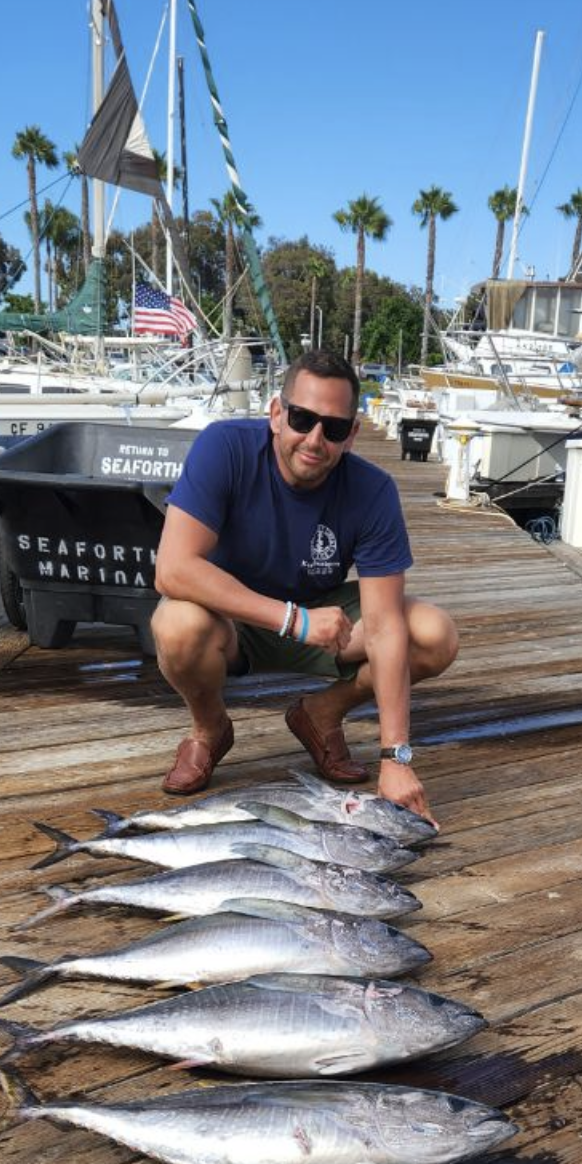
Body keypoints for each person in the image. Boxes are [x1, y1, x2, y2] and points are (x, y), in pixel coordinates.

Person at [152, 348, 458, 821]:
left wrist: (394, 757)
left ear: (352, 435)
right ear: (276, 414)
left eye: (333, 428)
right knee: (176, 624)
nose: (315, 439)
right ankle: (210, 730)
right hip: (235, 620)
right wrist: (294, 620)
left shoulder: (372, 490)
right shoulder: (224, 446)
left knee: (433, 634)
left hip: (326, 621)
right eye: (301, 418)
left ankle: (321, 714)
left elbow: (383, 627)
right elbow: (172, 569)